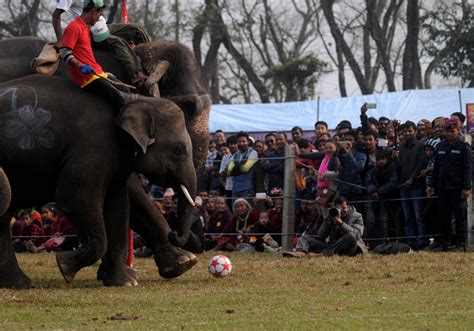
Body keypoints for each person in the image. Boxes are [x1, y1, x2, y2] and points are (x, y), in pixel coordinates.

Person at [57, 0, 135, 110]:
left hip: (97, 73)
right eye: (99, 14)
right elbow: (63, 51)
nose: (100, 17)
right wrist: (81, 66)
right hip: (86, 78)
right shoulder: (74, 27)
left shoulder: (86, 28)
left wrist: (103, 73)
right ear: (93, 12)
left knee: (126, 91)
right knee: (120, 98)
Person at [53, 0, 150, 86]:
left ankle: (150, 60)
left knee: (136, 29)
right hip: (89, 30)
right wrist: (60, 39)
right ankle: (136, 74)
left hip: (103, 26)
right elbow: (56, 14)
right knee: (118, 42)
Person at [427, 118, 472, 252]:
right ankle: (445, 243)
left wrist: (467, 187)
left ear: (458, 130)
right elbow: (436, 169)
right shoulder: (441, 146)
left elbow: (468, 168)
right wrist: (432, 185)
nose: (450, 134)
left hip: (458, 189)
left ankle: (460, 244)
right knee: (444, 216)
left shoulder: (464, 147)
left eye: (452, 131)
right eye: (448, 131)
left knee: (460, 217)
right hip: (443, 187)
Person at [283, 196, 367, 257]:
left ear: (348, 207)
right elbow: (321, 235)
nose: (342, 211)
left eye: (344, 208)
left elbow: (357, 235)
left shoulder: (357, 216)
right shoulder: (333, 215)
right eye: (339, 208)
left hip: (349, 248)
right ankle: (300, 252)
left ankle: (323, 254)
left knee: (351, 237)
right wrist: (328, 220)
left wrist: (341, 224)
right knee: (305, 236)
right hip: (332, 246)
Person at [398, 120, 427, 249]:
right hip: (403, 186)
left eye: (410, 131)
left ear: (415, 131)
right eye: (405, 131)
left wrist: (412, 178)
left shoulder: (421, 146)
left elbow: (420, 163)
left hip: (417, 186)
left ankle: (421, 241)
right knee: (407, 216)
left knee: (418, 215)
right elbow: (400, 166)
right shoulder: (401, 147)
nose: (408, 133)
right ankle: (410, 241)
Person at [227, 132, 258, 199]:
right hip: (235, 187)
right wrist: (232, 170)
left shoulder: (253, 153)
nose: (241, 143)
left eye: (243, 141)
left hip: (247, 187)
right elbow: (229, 171)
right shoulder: (235, 154)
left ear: (248, 142)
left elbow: (245, 168)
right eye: (239, 141)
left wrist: (233, 171)